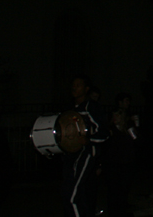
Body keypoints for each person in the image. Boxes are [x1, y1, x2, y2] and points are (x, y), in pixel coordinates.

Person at [62, 75, 109, 217]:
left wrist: (88, 140)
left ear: (86, 89)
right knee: (76, 193)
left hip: (86, 154)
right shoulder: (69, 109)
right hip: (70, 155)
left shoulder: (91, 107)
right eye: (73, 85)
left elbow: (105, 133)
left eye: (78, 85)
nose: (74, 88)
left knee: (72, 196)